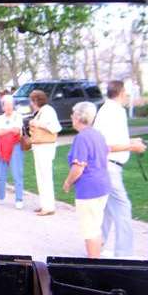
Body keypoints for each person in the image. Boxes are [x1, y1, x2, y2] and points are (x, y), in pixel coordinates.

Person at [93, 80, 147, 258]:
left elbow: (111, 141)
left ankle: (96, 248)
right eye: (126, 92)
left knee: (108, 210)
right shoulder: (113, 111)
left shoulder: (109, 110)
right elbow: (105, 145)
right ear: (122, 92)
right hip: (110, 167)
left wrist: (131, 142)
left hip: (107, 167)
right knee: (123, 208)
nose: (128, 96)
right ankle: (124, 254)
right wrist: (133, 147)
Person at [62, 102, 111, 258]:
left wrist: (68, 182)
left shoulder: (81, 138)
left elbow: (78, 168)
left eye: (72, 114)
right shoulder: (98, 134)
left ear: (78, 117)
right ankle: (96, 256)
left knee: (90, 229)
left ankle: (94, 264)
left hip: (89, 189)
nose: (71, 117)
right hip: (102, 186)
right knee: (95, 226)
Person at [29, 90, 62, 216]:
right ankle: (44, 204)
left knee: (46, 177)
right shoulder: (41, 111)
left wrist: (36, 123)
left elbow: (55, 127)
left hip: (45, 147)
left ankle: (48, 206)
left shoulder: (48, 110)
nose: (31, 103)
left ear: (36, 100)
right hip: (40, 147)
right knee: (41, 177)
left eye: (32, 100)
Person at [0, 94, 24, 209]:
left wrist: (5, 130)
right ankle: (0, 197)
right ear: (3, 107)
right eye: (6, 105)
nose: (9, 107)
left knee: (17, 173)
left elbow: (17, 131)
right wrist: (9, 129)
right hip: (3, 148)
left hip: (15, 147)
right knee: (1, 175)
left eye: (11, 104)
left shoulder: (18, 117)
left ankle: (19, 199)